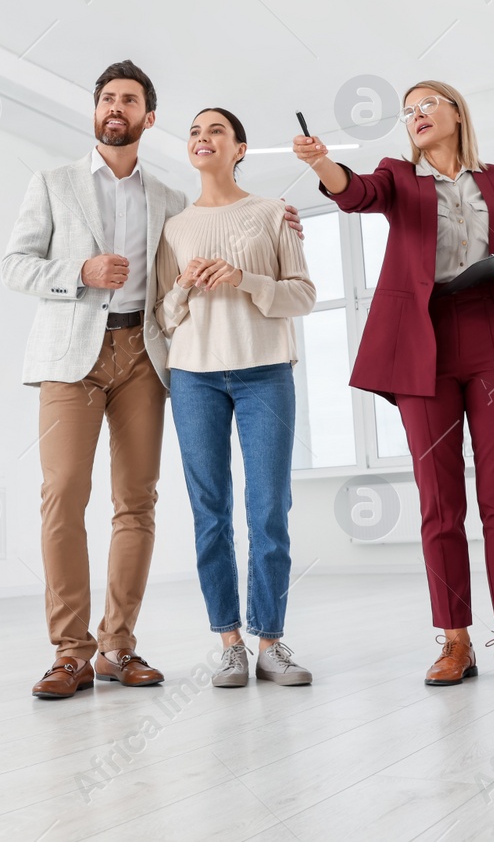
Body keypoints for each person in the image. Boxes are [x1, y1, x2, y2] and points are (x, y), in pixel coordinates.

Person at [2, 61, 302, 700]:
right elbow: (15, 266)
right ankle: (69, 653)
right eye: (107, 98)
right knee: (62, 495)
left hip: (146, 352)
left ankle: (117, 647)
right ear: (95, 111)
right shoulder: (53, 183)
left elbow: (214, 246)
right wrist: (81, 270)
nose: (116, 108)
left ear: (147, 117)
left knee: (137, 503)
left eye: (129, 100)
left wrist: (278, 222)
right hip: (71, 358)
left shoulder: (170, 199)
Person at [291, 80, 494, 687]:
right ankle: (454, 641)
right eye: (407, 112)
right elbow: (355, 194)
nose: (416, 116)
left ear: (457, 112)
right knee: (439, 502)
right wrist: (321, 162)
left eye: (427, 104)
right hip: (423, 347)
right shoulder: (398, 176)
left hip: (493, 338)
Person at [154, 107, 317, 688]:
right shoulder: (174, 227)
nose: (202, 139)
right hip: (194, 377)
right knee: (210, 510)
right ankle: (228, 641)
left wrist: (243, 279)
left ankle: (270, 641)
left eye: (215, 131)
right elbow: (164, 316)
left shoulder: (273, 214)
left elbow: (303, 295)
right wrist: (184, 286)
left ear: (240, 148)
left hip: (265, 372)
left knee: (269, 507)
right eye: (194, 132)